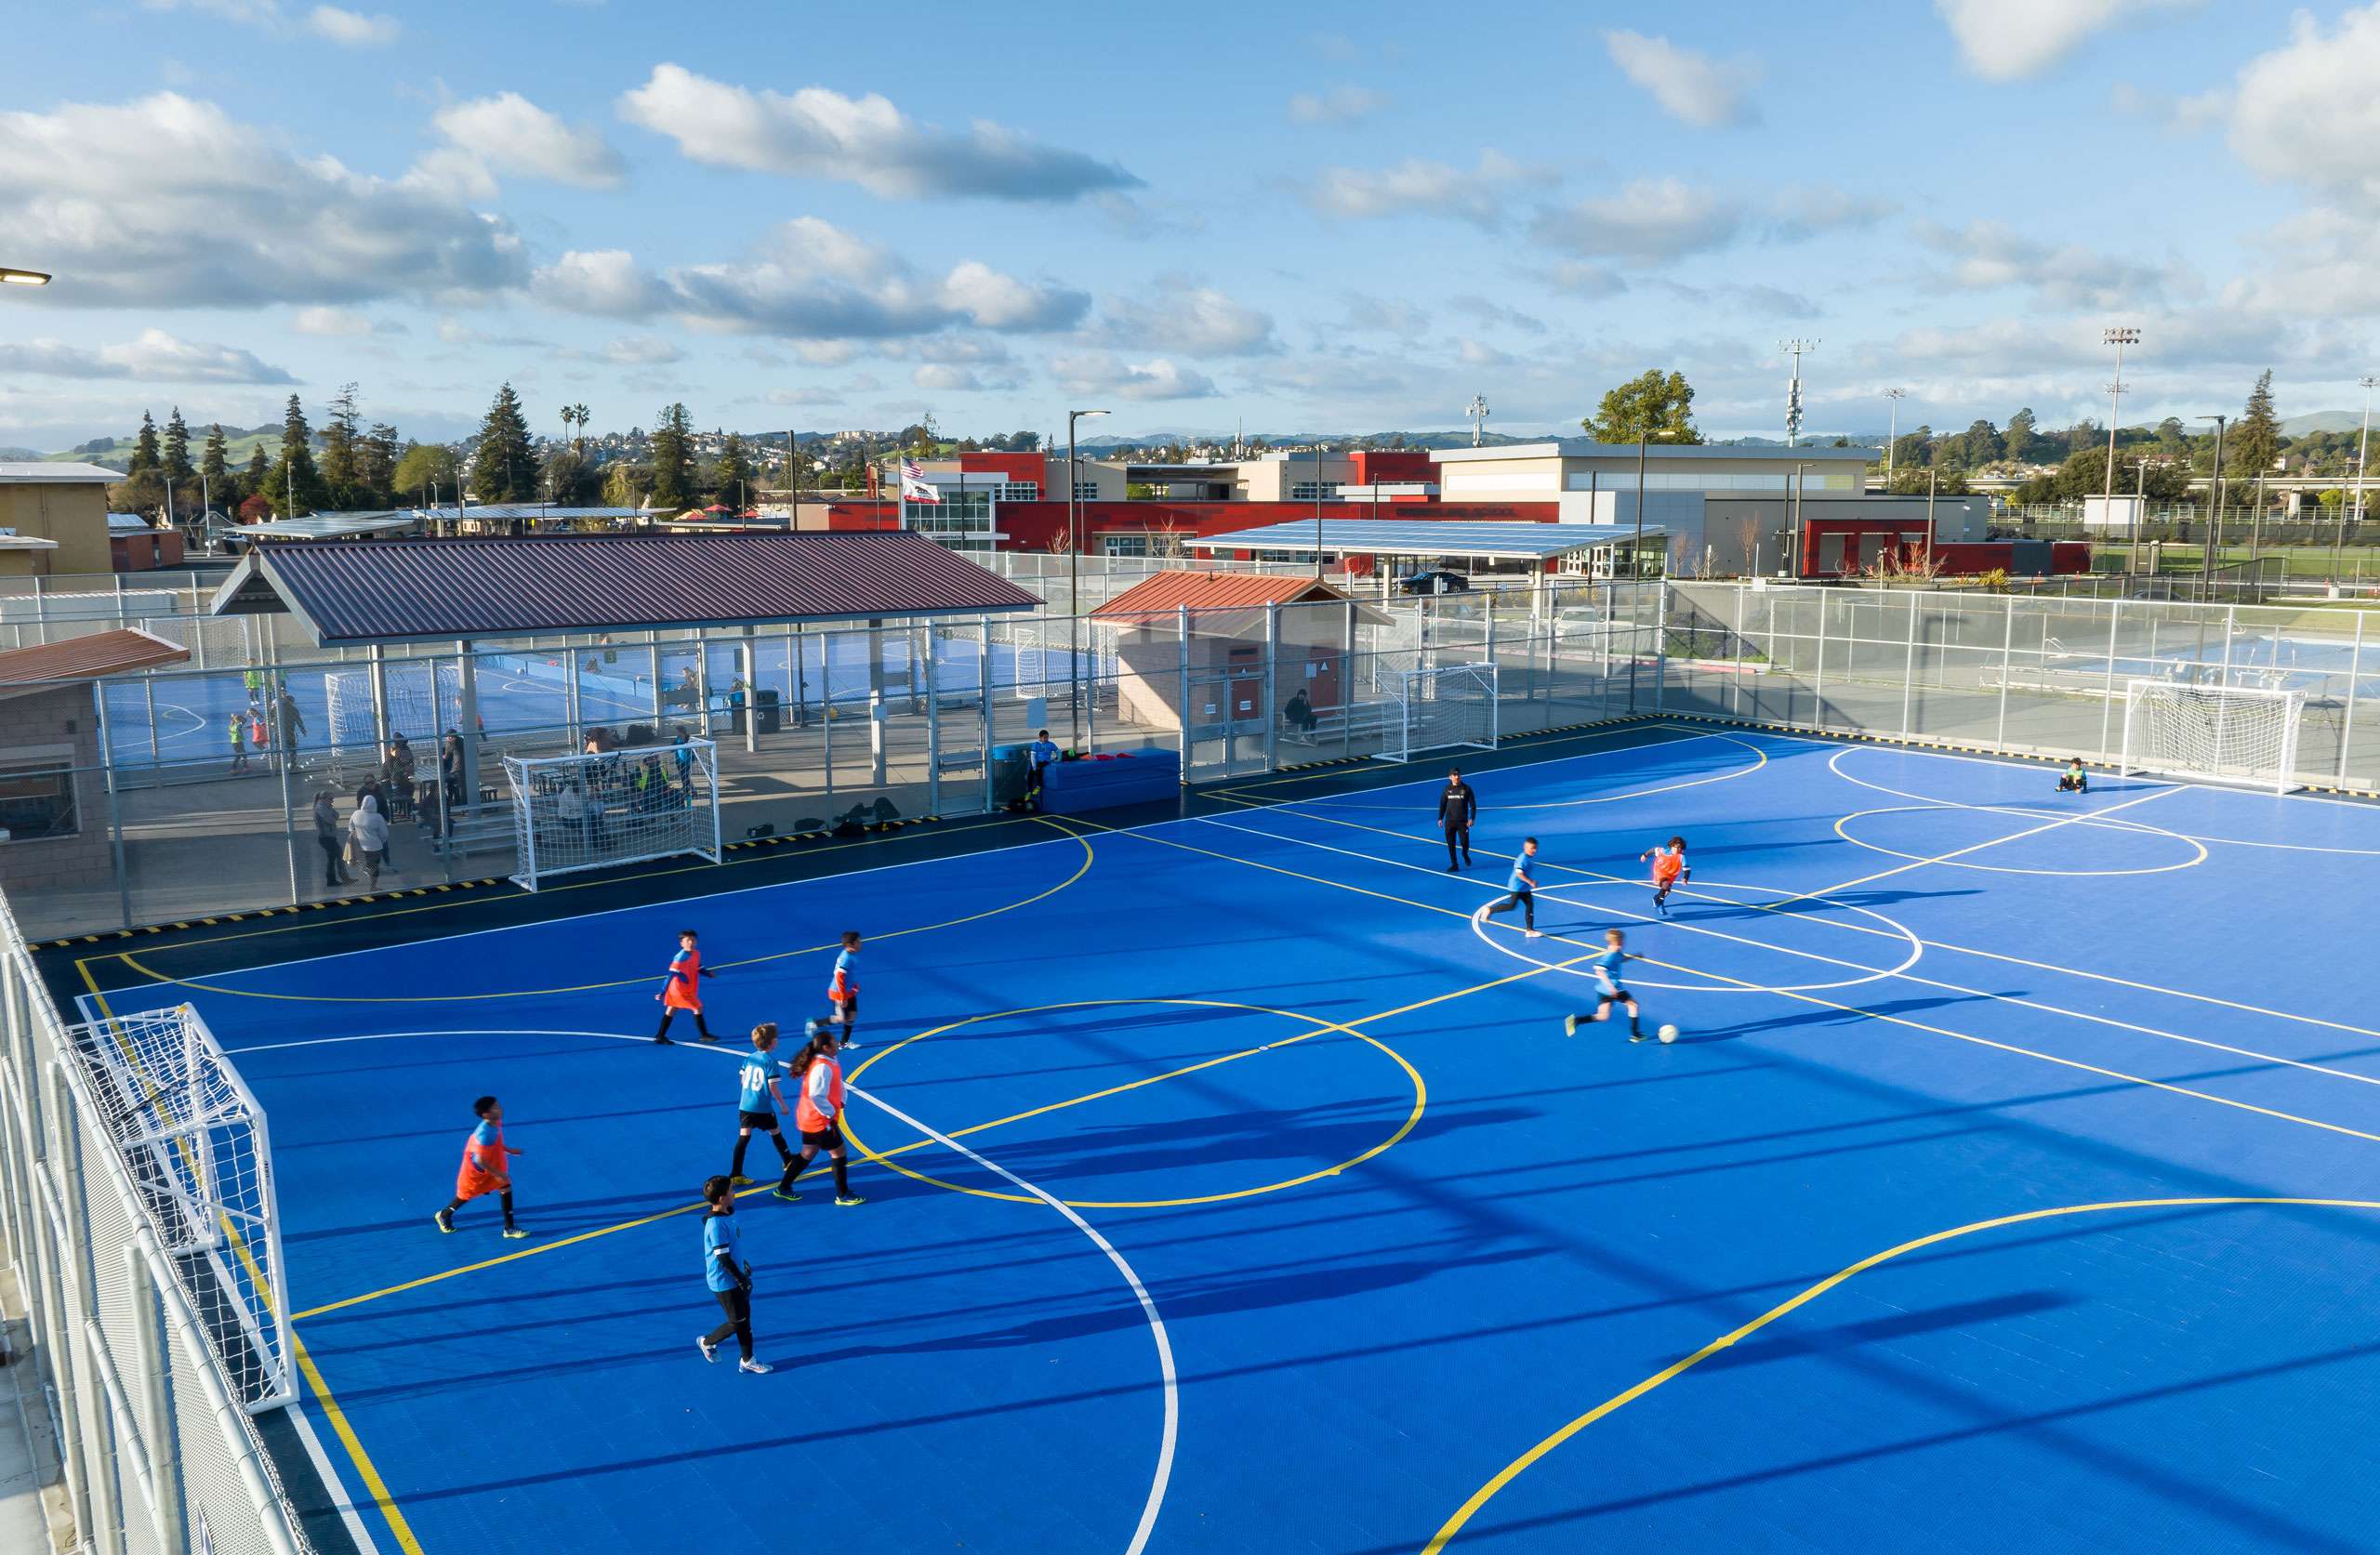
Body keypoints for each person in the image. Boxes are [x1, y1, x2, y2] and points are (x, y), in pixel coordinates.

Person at [696, 1175, 770, 1375]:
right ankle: (707, 1341)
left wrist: (742, 1263)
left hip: (732, 1276)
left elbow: (730, 1250)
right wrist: (741, 1279)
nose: (733, 1192)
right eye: (730, 1190)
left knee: (744, 1319)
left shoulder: (724, 1215)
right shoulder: (717, 1224)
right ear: (721, 1198)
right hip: (724, 1282)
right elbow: (723, 1259)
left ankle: (748, 1359)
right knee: (737, 1322)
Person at [788, 1021, 865, 1206]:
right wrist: (831, 1111)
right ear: (826, 1047)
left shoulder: (828, 1061)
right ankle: (843, 1194)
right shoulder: (822, 1067)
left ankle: (783, 1186)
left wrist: (842, 1100)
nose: (837, 1044)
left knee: (808, 1152)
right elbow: (816, 1094)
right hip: (820, 1120)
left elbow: (836, 1083)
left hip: (809, 1117)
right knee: (839, 1153)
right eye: (834, 1042)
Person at [434, 1095, 527, 1237]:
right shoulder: (483, 1135)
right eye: (495, 1107)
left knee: (506, 1186)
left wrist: (509, 1150)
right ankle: (444, 1214)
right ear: (486, 1114)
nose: (500, 1109)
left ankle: (509, 1228)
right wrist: (497, 1174)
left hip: (491, 1163)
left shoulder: (495, 1121)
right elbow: (479, 1160)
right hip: (476, 1172)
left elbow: (496, 1142)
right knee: (465, 1195)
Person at [729, 1022, 803, 1199]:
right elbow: (773, 1087)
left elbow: (742, 1079)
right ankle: (787, 1162)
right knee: (776, 1133)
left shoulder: (749, 1058)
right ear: (771, 1042)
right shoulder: (770, 1062)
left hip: (745, 1105)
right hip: (762, 1106)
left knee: (744, 1138)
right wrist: (782, 1105)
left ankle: (736, 1174)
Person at [1565, 929, 1650, 1043]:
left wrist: (1634, 956)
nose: (1624, 942)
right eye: (1622, 940)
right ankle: (1635, 1035)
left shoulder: (1616, 951)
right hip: (1613, 988)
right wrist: (1611, 987)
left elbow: (1621, 959)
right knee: (1633, 1005)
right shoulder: (1610, 955)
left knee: (1603, 1016)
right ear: (1618, 942)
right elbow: (1599, 970)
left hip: (1602, 990)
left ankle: (1576, 1021)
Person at [654, 929, 720, 1045]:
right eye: (688, 940)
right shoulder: (680, 957)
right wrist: (662, 992)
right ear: (682, 943)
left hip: (687, 988)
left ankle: (660, 1036)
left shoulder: (696, 953)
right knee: (697, 1007)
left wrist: (708, 974)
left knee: (671, 1010)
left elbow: (699, 967)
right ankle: (704, 1035)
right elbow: (671, 975)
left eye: (693, 940)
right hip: (679, 990)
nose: (691, 943)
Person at [1477, 837, 1541, 938]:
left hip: (1524, 888)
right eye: (1532, 848)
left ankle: (1529, 930)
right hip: (1516, 887)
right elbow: (1519, 874)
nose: (1534, 850)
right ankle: (1489, 909)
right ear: (1525, 847)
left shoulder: (1527, 858)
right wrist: (1531, 882)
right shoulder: (1522, 859)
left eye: (1536, 848)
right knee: (1511, 906)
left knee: (1529, 905)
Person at [828, 929, 862, 1051]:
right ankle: (816, 1024)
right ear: (850, 945)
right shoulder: (846, 958)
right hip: (839, 993)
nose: (860, 944)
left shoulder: (850, 955)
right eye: (858, 942)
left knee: (852, 1015)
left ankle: (843, 1043)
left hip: (849, 991)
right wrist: (842, 997)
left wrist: (854, 985)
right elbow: (839, 977)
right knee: (841, 1019)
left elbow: (849, 975)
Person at [1437, 768, 1477, 872]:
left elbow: (1473, 805)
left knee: (1465, 842)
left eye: (1458, 774)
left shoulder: (1467, 789)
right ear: (1450, 777)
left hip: (1462, 822)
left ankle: (1465, 853)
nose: (1457, 777)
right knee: (1451, 844)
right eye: (1454, 775)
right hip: (1449, 822)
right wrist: (1440, 818)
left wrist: (1472, 818)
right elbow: (1442, 804)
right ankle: (1454, 864)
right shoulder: (1446, 789)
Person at [348, 792, 389, 888]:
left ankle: (366, 870)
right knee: (375, 867)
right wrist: (381, 842)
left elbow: (351, 828)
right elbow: (384, 834)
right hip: (375, 848)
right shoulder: (378, 817)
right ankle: (373, 886)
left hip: (361, 847)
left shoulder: (355, 814)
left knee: (366, 864)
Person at [1642, 836, 1689, 916]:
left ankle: (1656, 898)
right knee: (1665, 885)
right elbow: (1653, 850)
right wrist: (1645, 855)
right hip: (1660, 872)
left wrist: (1685, 878)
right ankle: (1661, 904)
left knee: (1666, 892)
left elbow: (1687, 868)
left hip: (1671, 875)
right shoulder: (1662, 851)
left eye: (1679, 848)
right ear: (1671, 846)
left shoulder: (1681, 857)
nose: (1677, 849)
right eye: (1675, 847)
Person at [311, 791, 349, 888]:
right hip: (326, 837)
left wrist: (331, 810)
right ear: (323, 799)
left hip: (330, 837)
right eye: (330, 799)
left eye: (333, 799)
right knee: (340, 855)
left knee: (332, 859)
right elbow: (331, 819)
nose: (332, 801)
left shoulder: (326, 807)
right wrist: (331, 812)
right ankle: (343, 878)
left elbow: (337, 815)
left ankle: (331, 880)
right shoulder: (320, 808)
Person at [1025, 728, 1061, 810]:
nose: (1046, 739)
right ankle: (1029, 791)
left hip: (1045, 761)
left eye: (1047, 737)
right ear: (1040, 737)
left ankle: (1039, 785)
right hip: (1036, 762)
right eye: (1044, 737)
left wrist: (1058, 758)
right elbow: (1033, 756)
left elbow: (1058, 751)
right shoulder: (1036, 744)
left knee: (1040, 769)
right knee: (1031, 773)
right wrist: (1033, 766)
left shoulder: (1051, 744)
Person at [440, 729, 466, 810]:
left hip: (457, 768)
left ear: (450, 737)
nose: (446, 738)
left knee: (450, 782)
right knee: (461, 785)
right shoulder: (462, 740)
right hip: (467, 767)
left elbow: (446, 757)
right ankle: (460, 802)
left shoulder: (450, 743)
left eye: (447, 737)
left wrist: (440, 756)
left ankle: (453, 801)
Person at [228, 710, 251, 774]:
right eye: (240, 719)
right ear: (238, 720)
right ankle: (236, 768)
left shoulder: (231, 726)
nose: (241, 720)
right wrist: (247, 714)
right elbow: (244, 721)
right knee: (242, 755)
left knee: (240, 755)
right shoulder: (237, 726)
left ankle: (241, 768)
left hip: (234, 742)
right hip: (238, 742)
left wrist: (232, 717)